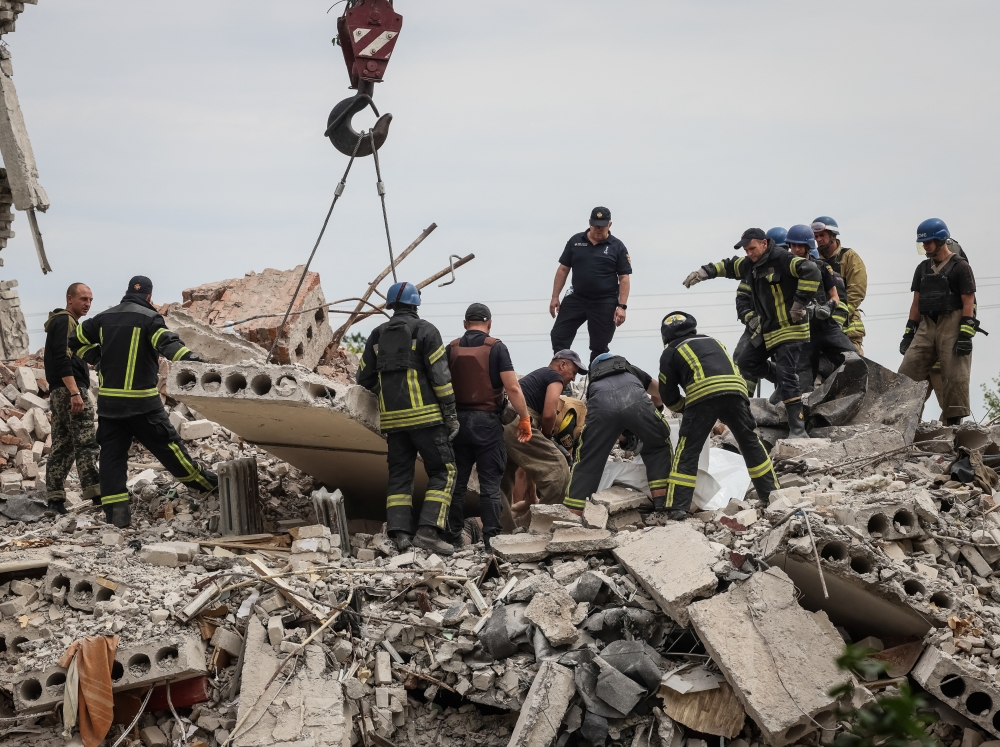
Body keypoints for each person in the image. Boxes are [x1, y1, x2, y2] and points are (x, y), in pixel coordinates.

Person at [69, 276, 217, 528]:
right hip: (143, 405)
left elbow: (74, 340)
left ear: (127, 292)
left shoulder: (103, 318)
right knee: (169, 448)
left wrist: (97, 357)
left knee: (112, 458)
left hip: (110, 405)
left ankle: (117, 515)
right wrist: (194, 361)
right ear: (149, 297)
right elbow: (168, 343)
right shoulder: (150, 318)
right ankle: (206, 485)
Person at [683, 228, 821, 438]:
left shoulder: (782, 259)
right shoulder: (750, 264)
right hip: (768, 329)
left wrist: (799, 303)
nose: (749, 253)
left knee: (787, 376)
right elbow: (728, 266)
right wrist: (703, 273)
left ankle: (798, 429)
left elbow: (811, 270)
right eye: (746, 250)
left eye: (752, 249)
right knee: (747, 362)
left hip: (790, 328)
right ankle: (783, 376)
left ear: (764, 244)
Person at [357, 281, 459, 555]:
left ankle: (401, 535)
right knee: (444, 471)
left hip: (394, 422)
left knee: (400, 476)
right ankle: (427, 532)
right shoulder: (426, 330)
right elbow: (441, 377)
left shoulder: (377, 335)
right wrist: (450, 413)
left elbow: (363, 379)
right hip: (427, 419)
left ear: (391, 305)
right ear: (416, 304)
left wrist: (388, 397)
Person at [658, 312, 778, 516]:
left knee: (688, 450)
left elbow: (668, 395)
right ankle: (772, 494)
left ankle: (678, 507)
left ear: (665, 338)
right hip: (736, 391)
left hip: (702, 395)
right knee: (750, 442)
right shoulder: (714, 341)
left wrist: (684, 408)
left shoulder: (671, 351)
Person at [444, 303, 532, 549]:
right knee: (490, 485)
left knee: (457, 484)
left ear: (465, 324)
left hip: (457, 423)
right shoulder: (497, 348)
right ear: (489, 324)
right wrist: (524, 418)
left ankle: (452, 537)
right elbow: (513, 387)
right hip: (487, 424)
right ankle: (491, 539)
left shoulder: (451, 348)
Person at [562, 353, 672, 515]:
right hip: (636, 403)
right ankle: (662, 504)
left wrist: (623, 436)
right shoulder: (631, 371)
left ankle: (573, 512)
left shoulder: (595, 383)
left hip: (602, 409)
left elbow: (609, 423)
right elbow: (660, 392)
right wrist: (653, 416)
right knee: (658, 446)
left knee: (589, 459)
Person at [899, 219, 978, 425]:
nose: (925, 246)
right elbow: (916, 303)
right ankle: (901, 420)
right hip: (927, 324)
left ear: (941, 240)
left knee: (955, 376)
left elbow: (968, 301)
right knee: (907, 372)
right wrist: (909, 331)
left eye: (929, 242)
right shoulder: (922, 268)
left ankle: (954, 426)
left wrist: (965, 333)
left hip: (952, 322)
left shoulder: (960, 267)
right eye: (923, 243)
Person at [500, 350, 585, 506]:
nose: (574, 378)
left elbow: (530, 468)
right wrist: (547, 436)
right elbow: (549, 414)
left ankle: (503, 521)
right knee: (558, 468)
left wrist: (531, 497)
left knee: (504, 479)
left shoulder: (536, 376)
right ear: (562, 365)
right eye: (573, 372)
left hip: (504, 423)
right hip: (520, 423)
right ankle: (546, 518)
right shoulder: (554, 376)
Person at [43, 283, 100, 512]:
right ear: (70, 299)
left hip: (58, 392)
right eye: (83, 299)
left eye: (90, 300)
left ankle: (55, 500)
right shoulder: (66, 321)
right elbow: (62, 358)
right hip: (70, 390)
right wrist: (75, 392)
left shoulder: (60, 322)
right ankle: (98, 495)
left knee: (62, 445)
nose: (87, 304)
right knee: (86, 442)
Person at [549, 207, 632, 362]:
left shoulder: (617, 246)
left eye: (602, 226)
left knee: (600, 344)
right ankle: (562, 372)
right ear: (589, 223)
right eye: (595, 225)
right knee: (558, 335)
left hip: (604, 300)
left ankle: (596, 375)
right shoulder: (575, 241)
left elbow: (624, 278)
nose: (598, 229)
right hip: (577, 296)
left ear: (610, 225)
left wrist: (622, 306)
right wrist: (555, 297)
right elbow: (563, 269)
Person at [785, 224, 855, 393]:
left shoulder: (822, 267)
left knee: (853, 360)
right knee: (802, 382)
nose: (796, 249)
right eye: (793, 245)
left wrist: (829, 307)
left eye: (800, 245)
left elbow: (835, 296)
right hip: (802, 332)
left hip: (826, 327)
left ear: (808, 245)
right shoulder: (785, 272)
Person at [812, 217, 868, 354]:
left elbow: (857, 291)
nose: (818, 239)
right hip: (820, 322)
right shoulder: (813, 260)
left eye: (822, 235)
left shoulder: (849, 257)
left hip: (848, 326)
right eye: (816, 236)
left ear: (833, 235)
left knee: (852, 362)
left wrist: (840, 315)